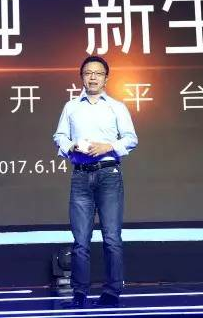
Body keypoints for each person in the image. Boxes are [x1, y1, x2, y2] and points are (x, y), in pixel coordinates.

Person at [52, 55, 138, 308]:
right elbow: (59, 136)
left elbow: (131, 139)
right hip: (80, 175)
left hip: (109, 174)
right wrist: (71, 146)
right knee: (81, 241)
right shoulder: (71, 107)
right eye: (88, 73)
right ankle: (79, 293)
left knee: (111, 238)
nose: (93, 77)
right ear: (81, 77)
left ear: (106, 78)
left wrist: (107, 146)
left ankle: (112, 292)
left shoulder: (116, 107)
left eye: (98, 73)